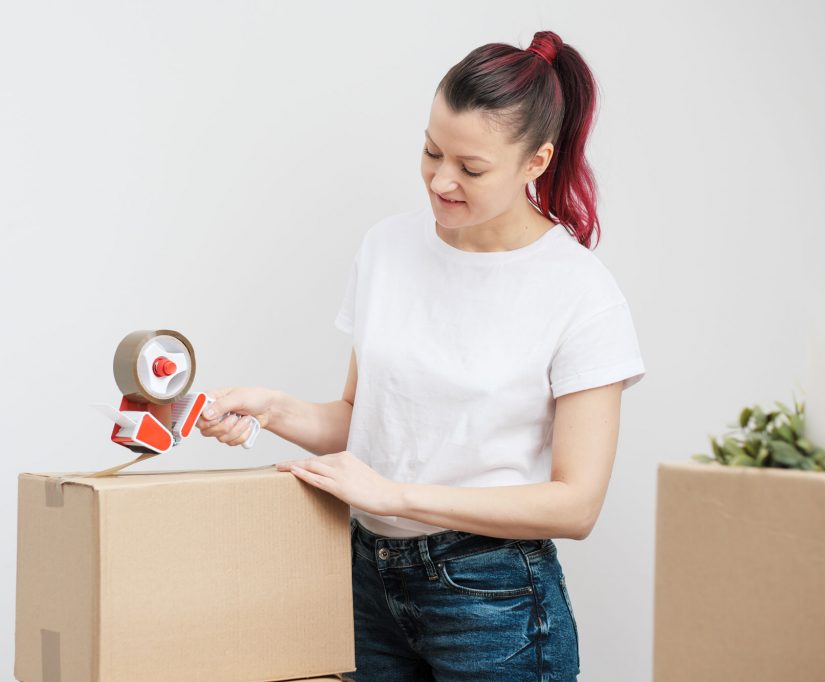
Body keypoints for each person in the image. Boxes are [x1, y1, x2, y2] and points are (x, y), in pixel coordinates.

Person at [194, 29, 645, 682]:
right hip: (367, 581)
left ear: (535, 162)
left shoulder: (579, 293)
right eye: (431, 151)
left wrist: (395, 494)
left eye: (471, 167)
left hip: (492, 597)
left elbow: (575, 505)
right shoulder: (388, 249)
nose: (441, 179)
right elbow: (367, 420)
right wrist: (271, 408)